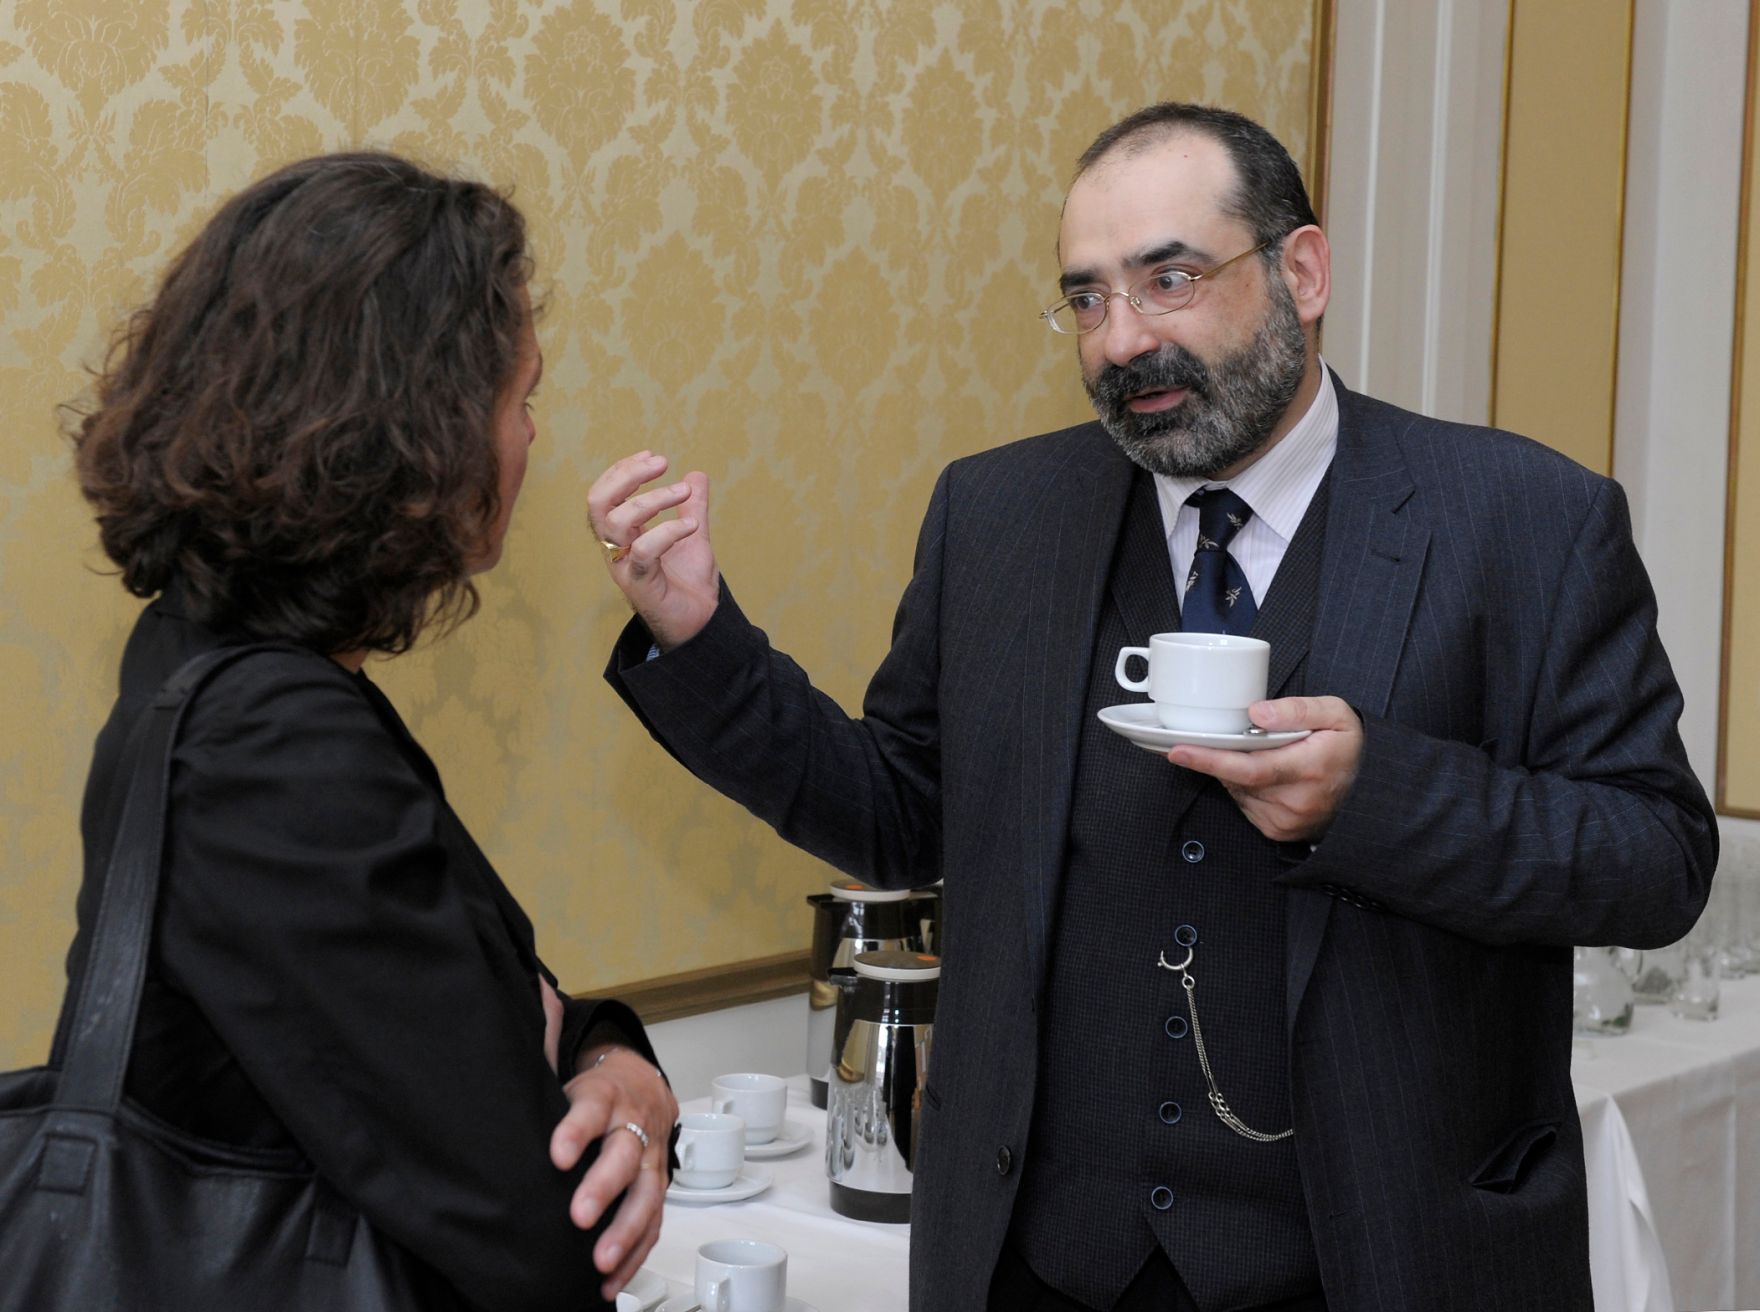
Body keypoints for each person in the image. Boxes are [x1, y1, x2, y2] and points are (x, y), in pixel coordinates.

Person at [590, 102, 1717, 1311]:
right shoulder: (998, 516)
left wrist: (1370, 795)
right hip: (1038, 1262)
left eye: (1168, 279)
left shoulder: (1522, 521)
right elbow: (899, 812)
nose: (1121, 340)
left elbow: (1654, 858)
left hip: (1379, 1256)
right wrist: (700, 638)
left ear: (1302, 270)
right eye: (1085, 299)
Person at [59, 151, 676, 1311]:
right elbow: (542, 1227)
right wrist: (588, 1078)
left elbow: (468, 1001)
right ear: (415, 430)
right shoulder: (271, 742)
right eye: (519, 394)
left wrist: (609, 1059)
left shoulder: (220, 667)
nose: (530, 437)